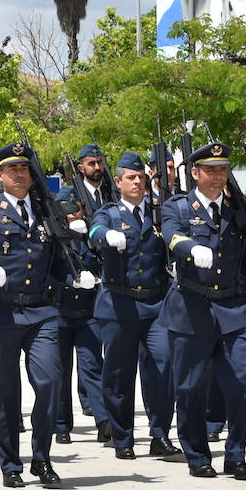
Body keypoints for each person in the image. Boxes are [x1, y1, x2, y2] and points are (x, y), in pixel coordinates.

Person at [0, 142, 94, 488]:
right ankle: (10, 462)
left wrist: (75, 276)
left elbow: (57, 262)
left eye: (24, 169)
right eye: (12, 170)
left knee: (50, 382)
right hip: (1, 311)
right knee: (6, 392)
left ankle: (42, 457)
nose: (20, 175)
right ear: (0, 175)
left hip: (41, 311)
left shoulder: (45, 213)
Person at [160, 142, 246, 480]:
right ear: (195, 173)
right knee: (189, 388)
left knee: (244, 381)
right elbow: (170, 237)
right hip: (191, 307)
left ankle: (236, 455)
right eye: (211, 169)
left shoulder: (237, 211)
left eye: (223, 169)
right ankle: (197, 455)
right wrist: (189, 247)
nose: (218, 176)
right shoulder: (179, 208)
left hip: (233, 308)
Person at [89, 151, 182, 460]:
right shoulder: (110, 213)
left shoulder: (158, 211)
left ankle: (160, 434)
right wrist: (107, 236)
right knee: (118, 374)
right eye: (131, 177)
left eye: (141, 177)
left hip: (155, 305)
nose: (138, 182)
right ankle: (123, 437)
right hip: (119, 304)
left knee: (163, 364)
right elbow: (94, 231)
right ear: (118, 182)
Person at [52, 185, 110, 445]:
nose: (74, 215)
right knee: (61, 371)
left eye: (77, 210)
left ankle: (103, 421)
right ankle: (62, 424)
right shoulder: (52, 237)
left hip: (88, 313)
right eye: (68, 211)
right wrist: (68, 281)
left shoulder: (90, 236)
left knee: (92, 366)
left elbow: (103, 264)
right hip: (60, 312)